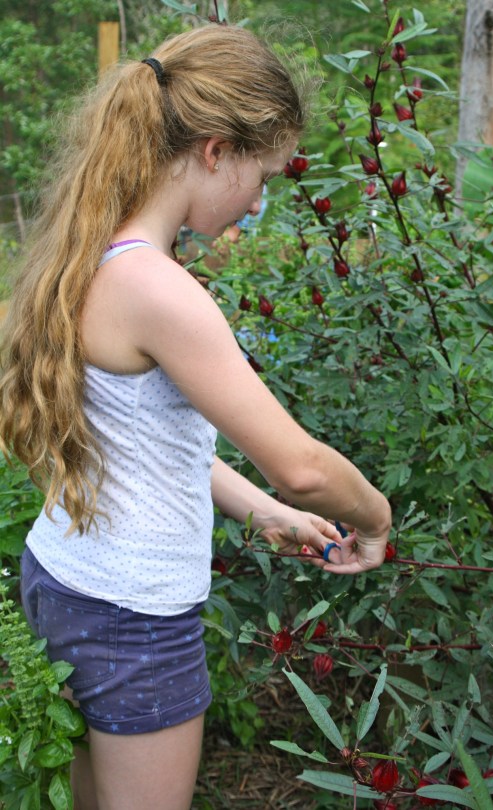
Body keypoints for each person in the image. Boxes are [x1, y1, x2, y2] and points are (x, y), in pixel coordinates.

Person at [0, 24, 391, 810]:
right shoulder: (164, 292)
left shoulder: (95, 253)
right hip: (134, 617)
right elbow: (306, 466)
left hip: (67, 581)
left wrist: (263, 509)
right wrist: (377, 518)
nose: (259, 198)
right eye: (263, 174)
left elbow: (147, 442)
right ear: (215, 151)